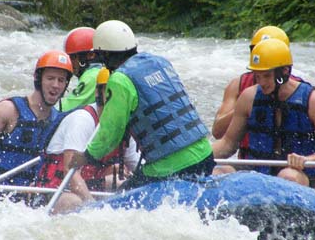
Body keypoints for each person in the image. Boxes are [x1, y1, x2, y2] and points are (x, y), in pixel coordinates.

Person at [69, 20, 215, 188]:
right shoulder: (159, 62)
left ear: (105, 54)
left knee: (126, 192)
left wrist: (87, 156)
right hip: (205, 154)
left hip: (172, 166)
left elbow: (111, 132)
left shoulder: (120, 80)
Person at [212, 38, 315, 188]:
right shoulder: (248, 97)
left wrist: (307, 159)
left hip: (300, 174)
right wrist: (198, 157)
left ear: (284, 71)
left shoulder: (313, 100)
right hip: (258, 173)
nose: (261, 82)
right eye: (258, 76)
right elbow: (228, 143)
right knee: (221, 171)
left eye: (267, 76)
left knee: (287, 176)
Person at [34, 67, 141, 214]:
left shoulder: (122, 126)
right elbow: (71, 175)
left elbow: (139, 170)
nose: (115, 98)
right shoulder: (82, 120)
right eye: (109, 92)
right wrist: (94, 208)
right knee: (75, 202)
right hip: (55, 191)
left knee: (125, 183)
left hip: (89, 186)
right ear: (98, 93)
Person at [0, 50, 73, 186]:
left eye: (61, 80)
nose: (56, 85)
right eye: (50, 78)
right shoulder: (10, 110)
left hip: (31, 196)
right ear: (38, 78)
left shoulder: (59, 121)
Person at [212, 26, 293, 145]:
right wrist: (244, 107)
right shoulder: (238, 85)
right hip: (249, 159)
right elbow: (217, 132)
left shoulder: (303, 92)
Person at [59, 27, 103, 111]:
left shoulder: (92, 77)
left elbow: (64, 109)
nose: (70, 62)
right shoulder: (100, 71)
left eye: (73, 57)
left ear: (91, 55)